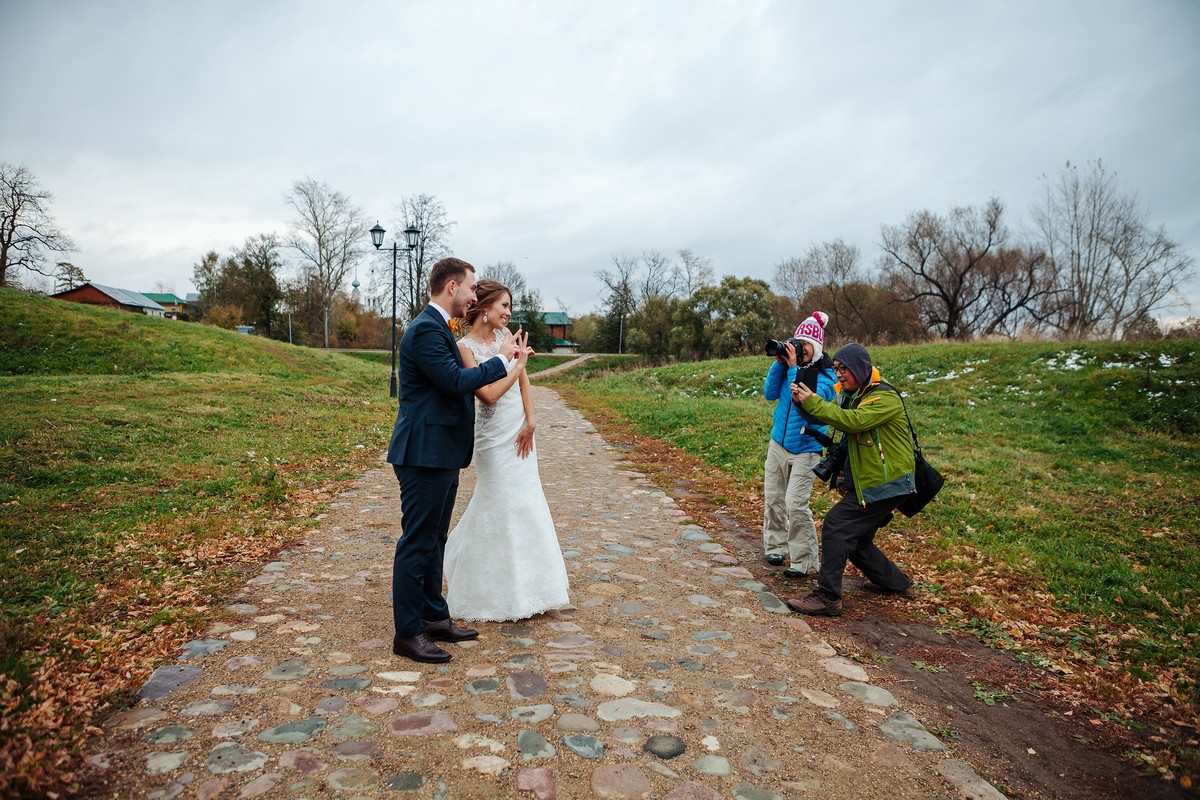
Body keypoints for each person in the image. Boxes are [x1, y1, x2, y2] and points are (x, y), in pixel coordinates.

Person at [386, 258, 524, 663]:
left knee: (435, 540)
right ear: (451, 286)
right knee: (416, 543)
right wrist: (499, 359)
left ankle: (433, 617)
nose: (472, 294)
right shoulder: (426, 329)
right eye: (470, 287)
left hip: (441, 452)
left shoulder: (438, 327)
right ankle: (408, 632)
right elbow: (453, 381)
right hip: (423, 454)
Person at [442, 280, 571, 621]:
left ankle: (533, 587)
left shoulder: (506, 338)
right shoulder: (464, 347)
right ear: (485, 308)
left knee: (527, 499)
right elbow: (487, 395)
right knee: (496, 500)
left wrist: (532, 421)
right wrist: (516, 365)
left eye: (509, 307)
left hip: (519, 429)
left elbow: (525, 384)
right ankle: (484, 584)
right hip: (492, 434)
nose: (509, 313)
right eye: (503, 306)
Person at [786, 342, 917, 617]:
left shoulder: (884, 398)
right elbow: (833, 417)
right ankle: (897, 583)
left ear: (861, 368)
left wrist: (812, 400)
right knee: (855, 540)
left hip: (889, 482)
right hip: (871, 481)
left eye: (844, 368)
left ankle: (828, 596)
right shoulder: (852, 395)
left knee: (836, 525)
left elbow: (853, 422)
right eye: (836, 369)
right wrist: (802, 405)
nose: (840, 374)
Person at [761, 312, 837, 579]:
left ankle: (804, 561)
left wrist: (793, 366)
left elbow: (801, 398)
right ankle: (775, 547)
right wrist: (779, 364)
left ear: (815, 348)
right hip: (778, 444)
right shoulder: (786, 367)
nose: (798, 349)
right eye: (796, 343)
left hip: (807, 448)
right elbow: (770, 393)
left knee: (795, 503)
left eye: (804, 345)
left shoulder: (827, 377)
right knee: (773, 497)